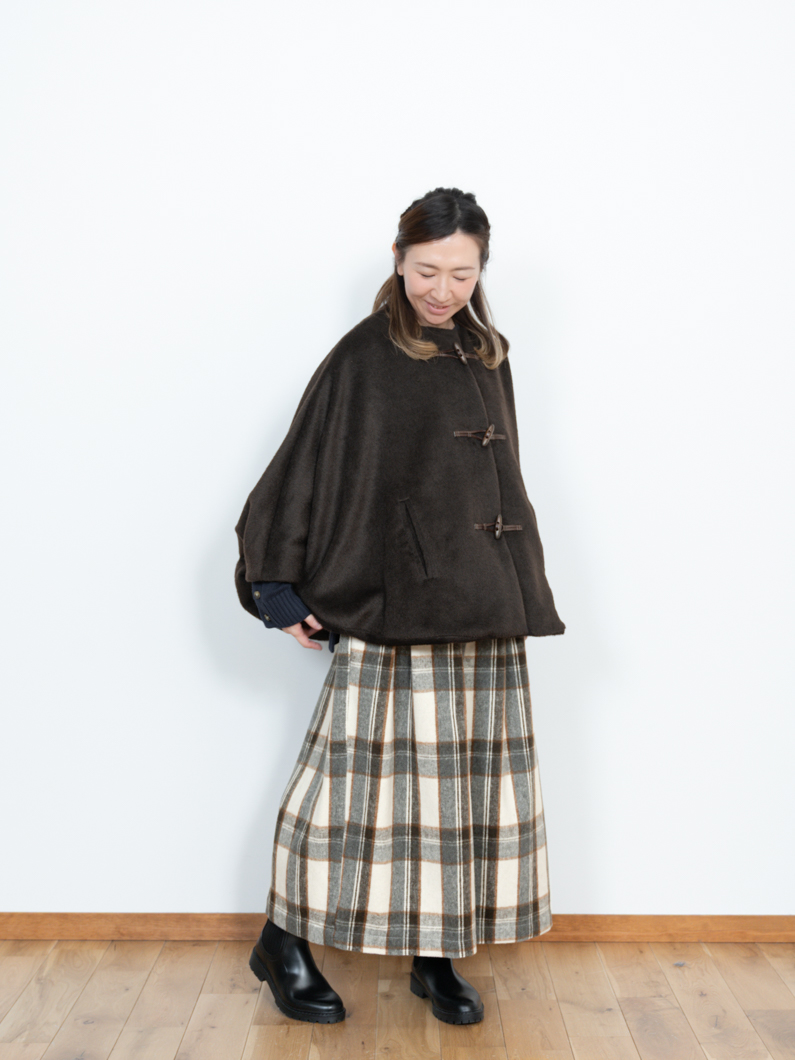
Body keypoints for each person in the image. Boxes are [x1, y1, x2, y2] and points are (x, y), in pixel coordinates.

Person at [234, 186, 565, 1026]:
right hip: (395, 603)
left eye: (461, 273)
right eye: (426, 270)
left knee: (460, 793)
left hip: (481, 602)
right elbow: (301, 464)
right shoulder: (364, 355)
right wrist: (276, 586)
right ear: (397, 259)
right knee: (344, 789)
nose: (442, 290)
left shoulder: (487, 352)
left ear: (481, 269)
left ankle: (435, 955)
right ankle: (283, 942)